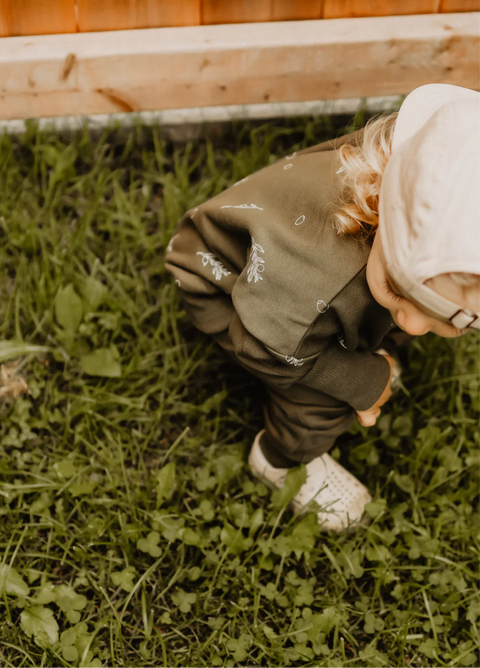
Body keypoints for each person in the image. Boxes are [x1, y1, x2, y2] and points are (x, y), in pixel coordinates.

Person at [165, 84, 480, 531]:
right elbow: (269, 349)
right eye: (396, 289)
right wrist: (363, 378)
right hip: (223, 285)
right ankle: (282, 461)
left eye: (451, 320)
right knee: (322, 398)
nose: (411, 323)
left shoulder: (402, 163)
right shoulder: (319, 282)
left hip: (279, 264)